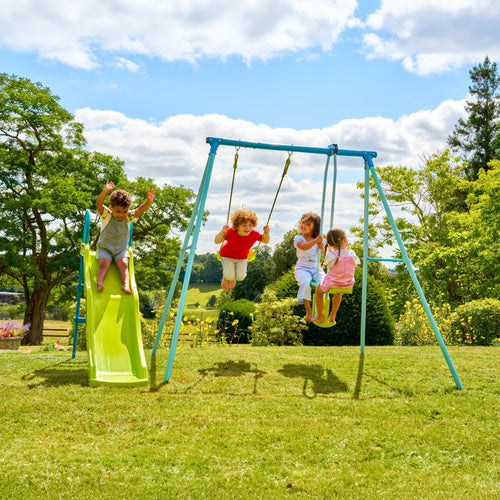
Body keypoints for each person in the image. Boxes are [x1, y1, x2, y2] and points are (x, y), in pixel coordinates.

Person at [96, 181, 155, 294]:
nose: (121, 214)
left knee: (123, 264)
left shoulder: (128, 217)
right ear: (111, 208)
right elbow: (99, 204)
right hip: (105, 248)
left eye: (124, 211)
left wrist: (148, 201)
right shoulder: (107, 215)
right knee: (104, 264)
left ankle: (126, 284)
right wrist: (105, 191)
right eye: (118, 211)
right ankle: (100, 282)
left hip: (121, 250)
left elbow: (139, 210)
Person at [214, 208, 270, 291]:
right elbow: (216, 241)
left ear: (253, 225)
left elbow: (265, 241)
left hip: (242, 258)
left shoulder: (254, 234)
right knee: (230, 275)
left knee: (240, 277)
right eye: (244, 225)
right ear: (237, 225)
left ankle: (233, 277)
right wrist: (222, 232)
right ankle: (225, 277)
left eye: (250, 225)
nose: (247, 228)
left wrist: (267, 233)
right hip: (227, 256)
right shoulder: (231, 231)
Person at [313, 227, 360, 324]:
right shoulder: (352, 254)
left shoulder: (331, 255)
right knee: (338, 292)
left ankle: (320, 316)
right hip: (347, 283)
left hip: (332, 283)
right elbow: (355, 263)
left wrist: (330, 251)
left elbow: (327, 264)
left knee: (318, 291)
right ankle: (333, 315)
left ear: (329, 244)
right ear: (345, 240)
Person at [294, 213, 325, 322]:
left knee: (324, 285)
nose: (303, 225)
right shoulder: (299, 238)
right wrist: (315, 242)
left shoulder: (319, 239)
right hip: (302, 267)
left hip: (315, 267)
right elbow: (303, 247)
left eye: (307, 224)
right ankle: (308, 311)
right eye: (302, 223)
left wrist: (322, 248)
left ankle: (321, 313)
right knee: (305, 283)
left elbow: (323, 256)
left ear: (314, 227)